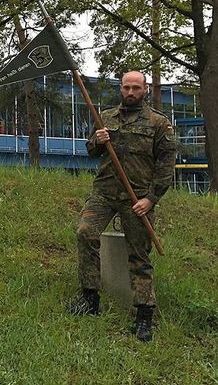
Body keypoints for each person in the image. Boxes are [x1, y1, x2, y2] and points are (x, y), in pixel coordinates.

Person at [67, 71, 176, 342]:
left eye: (135, 88)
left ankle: (143, 316)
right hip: (104, 192)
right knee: (85, 233)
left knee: (139, 255)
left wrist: (150, 199)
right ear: (121, 89)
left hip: (137, 198)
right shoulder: (106, 117)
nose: (130, 92)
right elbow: (91, 151)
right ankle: (89, 299)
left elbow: (166, 167)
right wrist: (97, 141)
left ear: (145, 89)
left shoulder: (158, 123)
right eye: (126, 87)